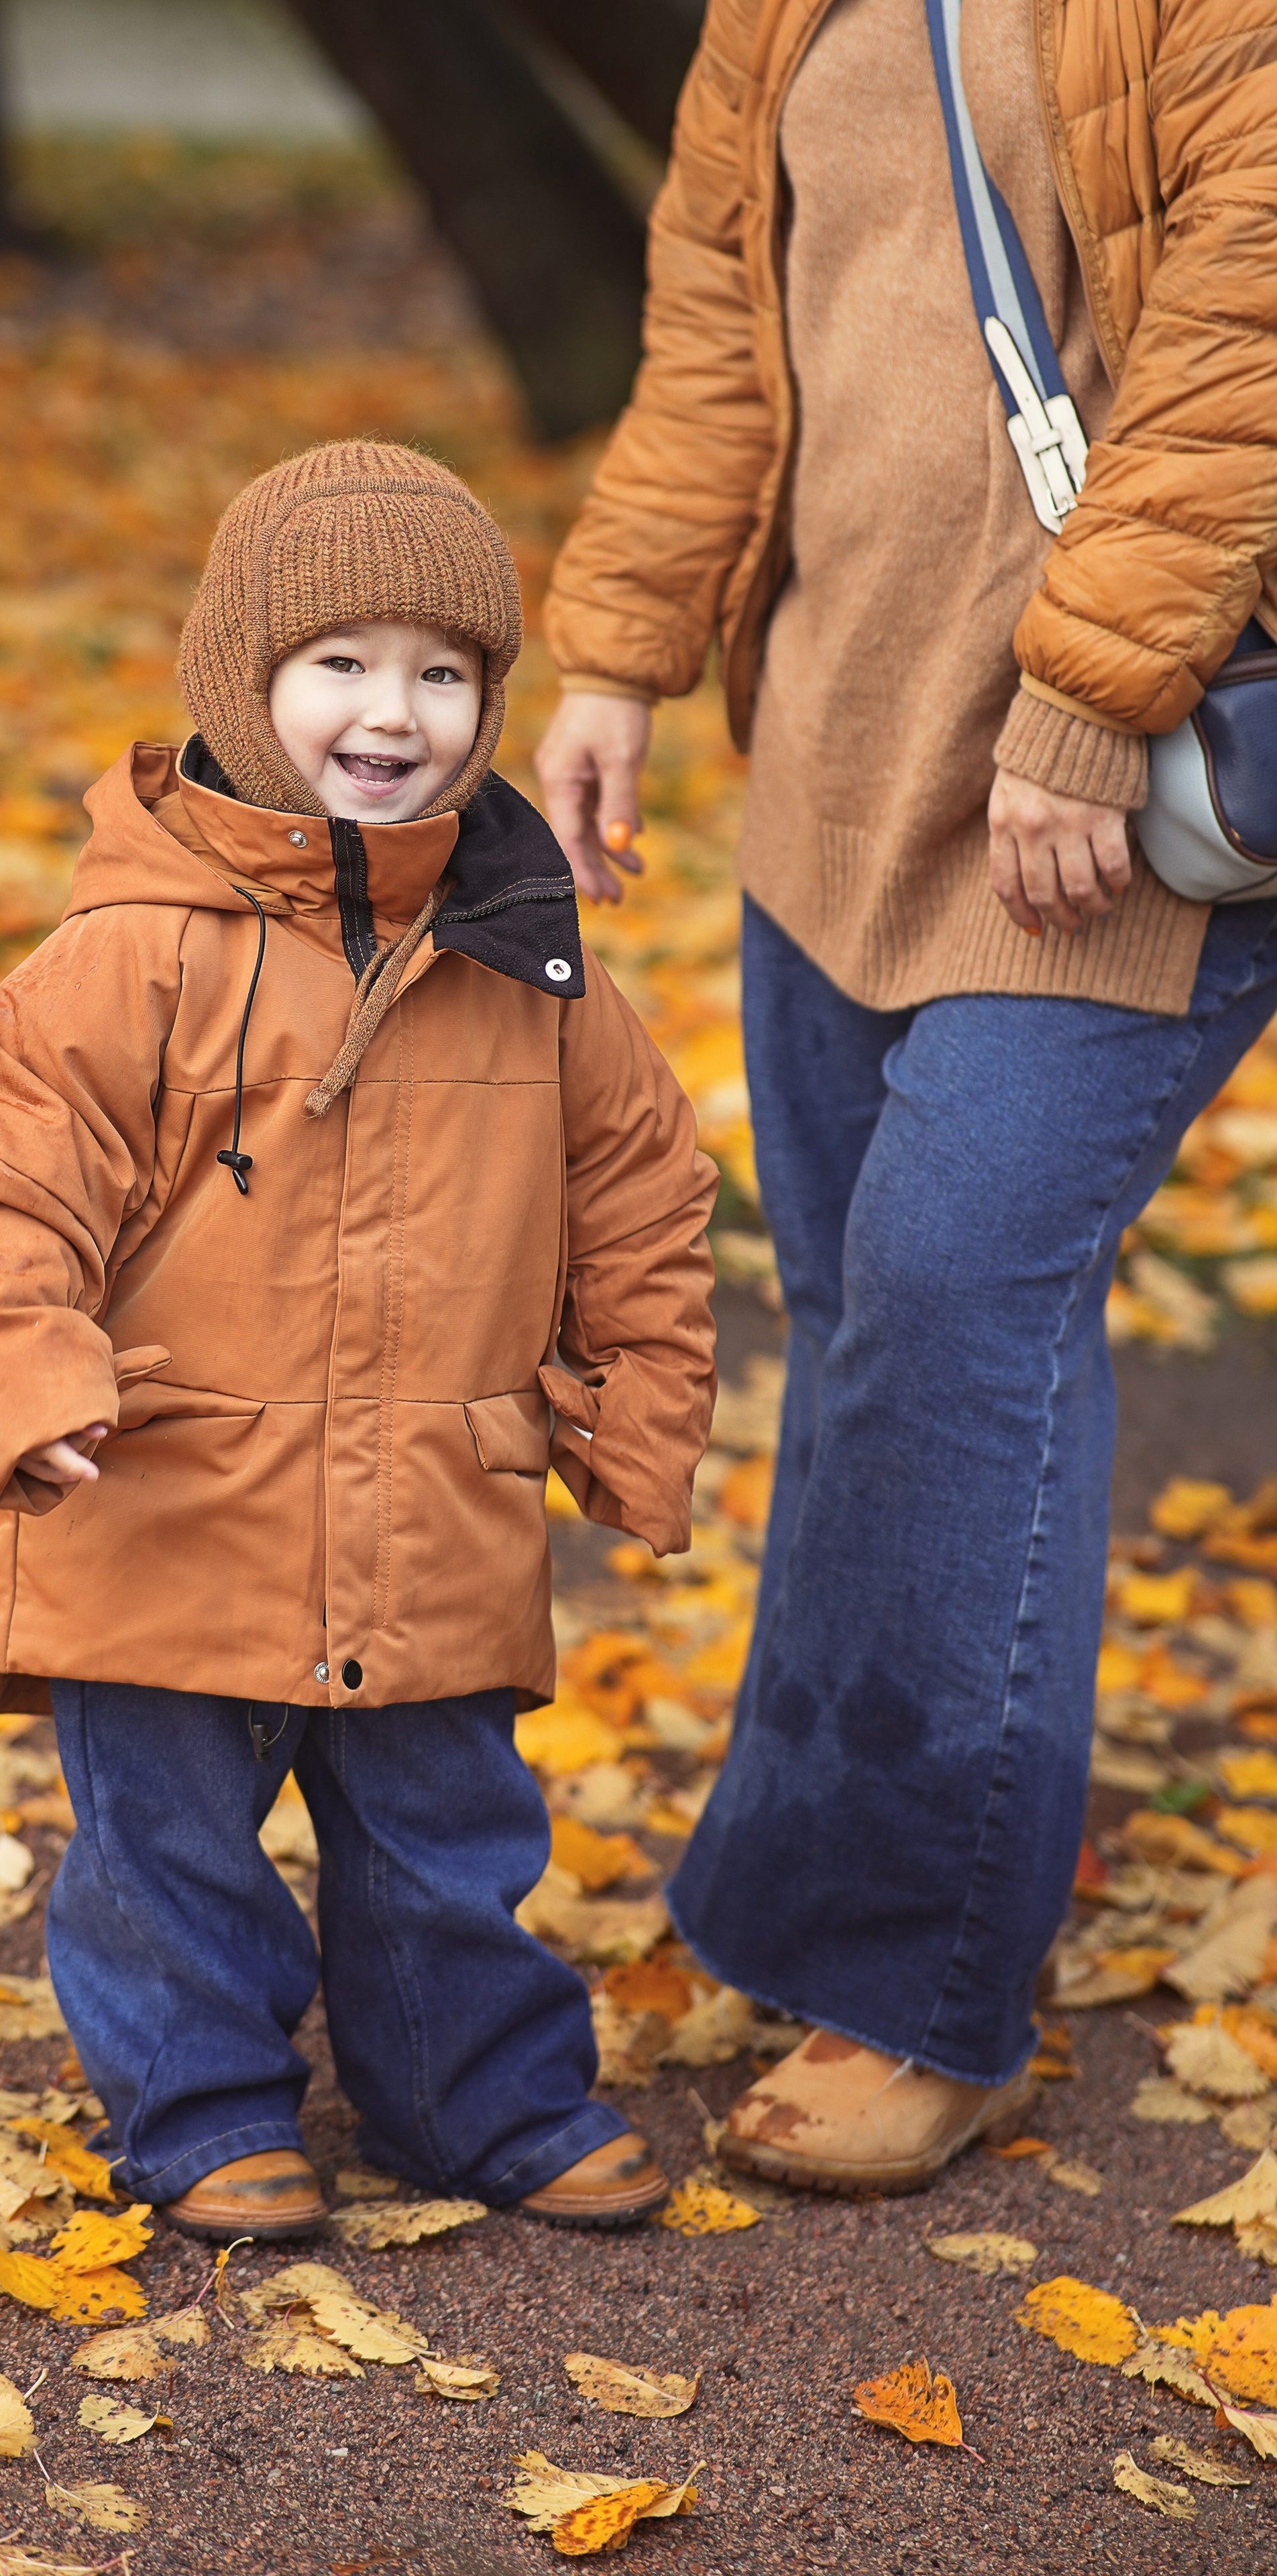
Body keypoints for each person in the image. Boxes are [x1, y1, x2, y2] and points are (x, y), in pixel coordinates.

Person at [535, 0, 1277, 2194]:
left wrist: (1083, 694)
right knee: (867, 1319)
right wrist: (615, 653)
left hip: (1108, 775)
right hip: (843, 742)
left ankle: (921, 1975)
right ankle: (815, 1878)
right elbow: (713, 339)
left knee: (958, 1301)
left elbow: (1248, 335)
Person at [0, 441, 718, 2239]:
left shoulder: (536, 969)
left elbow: (647, 1204)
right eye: (340, 662)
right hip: (172, 1494)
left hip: (437, 1496)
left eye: (443, 672)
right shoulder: (129, 959)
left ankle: (478, 2101)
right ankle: (202, 2113)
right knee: (172, 1848)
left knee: (451, 1840)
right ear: (243, 684)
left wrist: (639, 1420)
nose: (394, 710)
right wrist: (30, 1380)